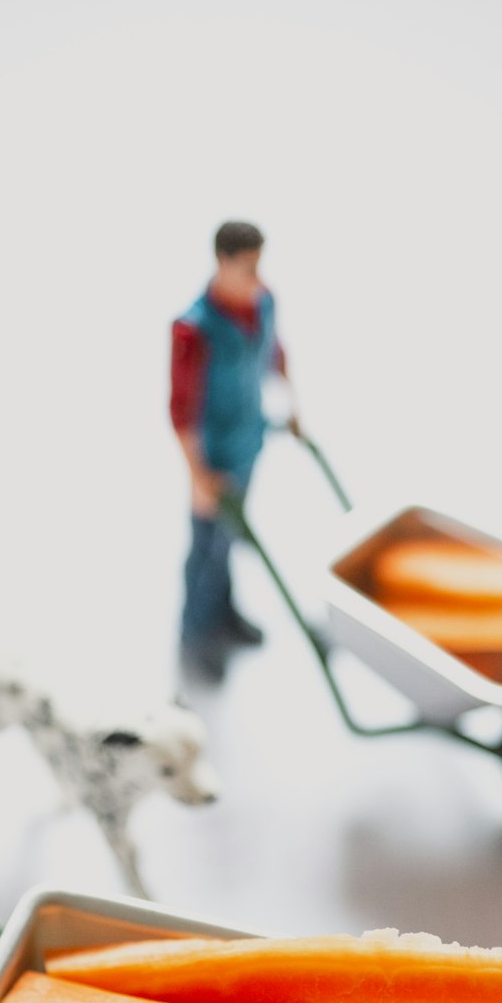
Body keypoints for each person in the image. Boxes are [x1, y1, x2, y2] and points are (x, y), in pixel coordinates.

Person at [170, 220, 299, 683]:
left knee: (229, 540)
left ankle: (224, 614)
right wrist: (198, 474)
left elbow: (274, 353)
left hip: (248, 445)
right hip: (214, 458)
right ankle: (196, 635)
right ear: (222, 263)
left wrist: (292, 402)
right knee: (206, 550)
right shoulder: (193, 330)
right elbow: (181, 412)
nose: (256, 278)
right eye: (246, 268)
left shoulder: (263, 304)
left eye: (258, 266)